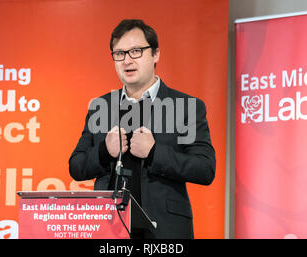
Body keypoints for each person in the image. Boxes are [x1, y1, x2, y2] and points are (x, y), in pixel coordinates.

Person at [69, 19, 216, 239]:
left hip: (164, 231)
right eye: (119, 53)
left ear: (155, 54)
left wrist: (154, 153)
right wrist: (103, 151)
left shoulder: (186, 107)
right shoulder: (101, 107)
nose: (126, 60)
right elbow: (76, 166)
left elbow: (204, 169)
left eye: (135, 51)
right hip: (109, 230)